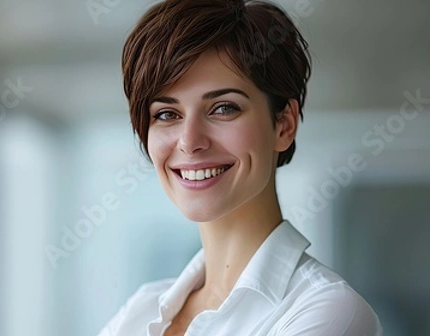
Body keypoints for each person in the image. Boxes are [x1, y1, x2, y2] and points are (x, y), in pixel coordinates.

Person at [98, 0, 383, 335]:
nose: (190, 142)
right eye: (166, 114)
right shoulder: (141, 309)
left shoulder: (329, 312)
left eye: (223, 108)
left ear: (283, 125)